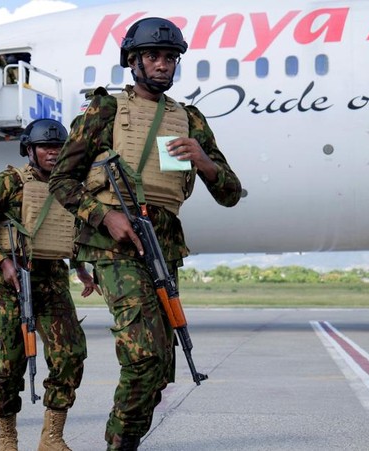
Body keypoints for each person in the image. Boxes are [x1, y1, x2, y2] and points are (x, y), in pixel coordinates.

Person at [48, 17, 242, 450]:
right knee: (144, 357)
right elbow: (61, 180)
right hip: (113, 242)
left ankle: (127, 440)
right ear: (132, 61)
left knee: (161, 371)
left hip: (163, 243)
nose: (162, 65)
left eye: (170, 57)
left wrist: (205, 162)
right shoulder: (104, 111)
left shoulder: (188, 119)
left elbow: (230, 193)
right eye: (153, 56)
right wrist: (104, 216)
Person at [0, 118, 94, 451]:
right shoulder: (8, 183)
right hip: (13, 283)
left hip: (52, 280)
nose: (53, 153)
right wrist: (2, 261)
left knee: (71, 353)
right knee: (9, 366)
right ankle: (7, 435)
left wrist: (81, 267)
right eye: (45, 147)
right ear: (30, 149)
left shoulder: (69, 187)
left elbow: (70, 232)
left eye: (58, 147)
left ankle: (52, 436)